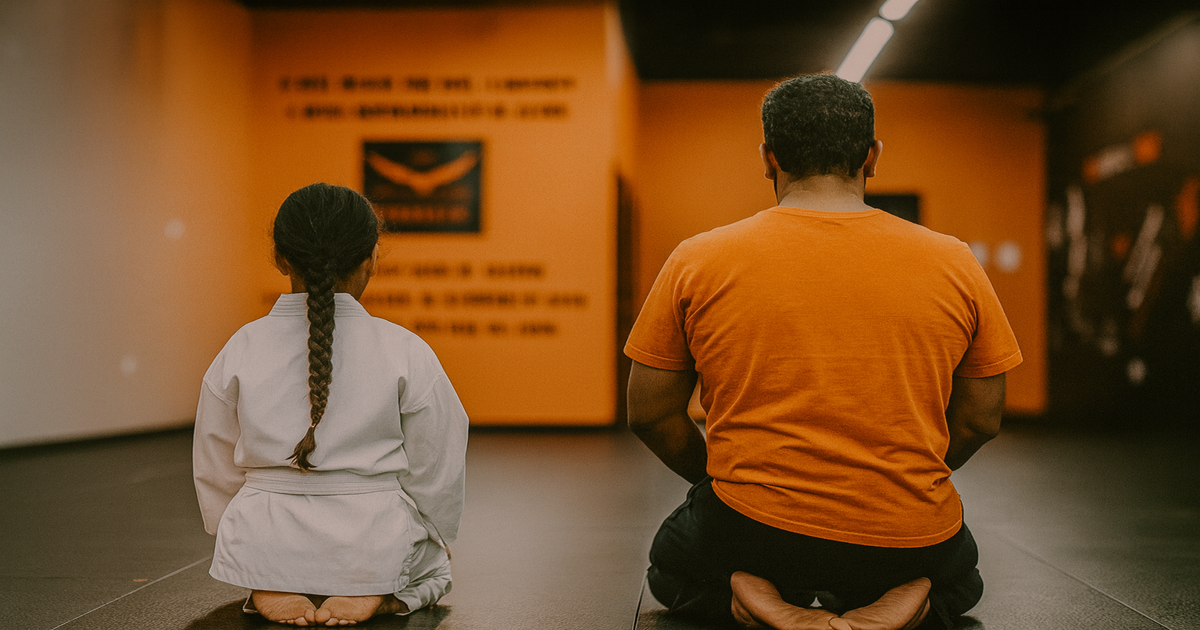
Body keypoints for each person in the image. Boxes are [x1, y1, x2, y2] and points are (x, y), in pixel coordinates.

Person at [624, 74, 1021, 630]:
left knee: (672, 568)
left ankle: (755, 593)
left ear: (768, 158)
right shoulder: (954, 261)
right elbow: (982, 417)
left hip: (752, 526)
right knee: (962, 578)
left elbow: (649, 411)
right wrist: (903, 478)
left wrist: (716, 479)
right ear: (873, 156)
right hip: (904, 535)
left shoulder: (698, 258)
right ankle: (908, 597)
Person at [193, 183, 469, 626]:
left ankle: (270, 579)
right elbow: (438, 461)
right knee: (437, 569)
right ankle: (377, 591)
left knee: (258, 518)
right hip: (371, 538)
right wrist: (433, 532)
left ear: (281, 259)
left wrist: (235, 533)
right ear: (372, 258)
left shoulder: (241, 346)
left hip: (265, 536)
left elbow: (214, 462)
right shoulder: (404, 349)